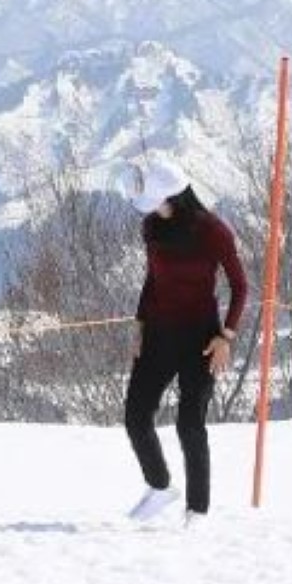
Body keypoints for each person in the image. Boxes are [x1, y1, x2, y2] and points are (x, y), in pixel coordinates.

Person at [118, 159, 246, 523]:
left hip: (201, 339)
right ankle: (159, 486)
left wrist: (226, 335)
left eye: (155, 199)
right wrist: (139, 325)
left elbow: (240, 286)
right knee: (135, 416)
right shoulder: (151, 227)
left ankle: (197, 510)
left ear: (175, 195)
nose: (149, 208)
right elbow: (152, 280)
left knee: (189, 424)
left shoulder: (213, 231)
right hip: (158, 334)